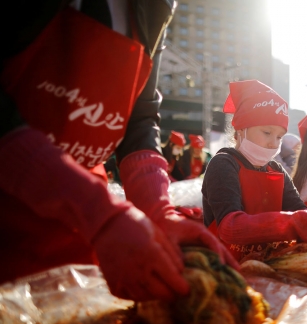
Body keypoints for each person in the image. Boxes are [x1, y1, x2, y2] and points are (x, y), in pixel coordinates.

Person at [0, 1, 234, 301]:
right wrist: (98, 214)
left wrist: (159, 212)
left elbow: (138, 118)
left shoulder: (155, 7)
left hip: (74, 238)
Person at [202, 80, 307, 262]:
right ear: (241, 129)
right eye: (267, 133)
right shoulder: (224, 164)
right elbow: (230, 227)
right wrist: (291, 223)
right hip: (225, 263)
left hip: (267, 262)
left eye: (279, 137)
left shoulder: (276, 169)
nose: (273, 143)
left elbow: (300, 211)